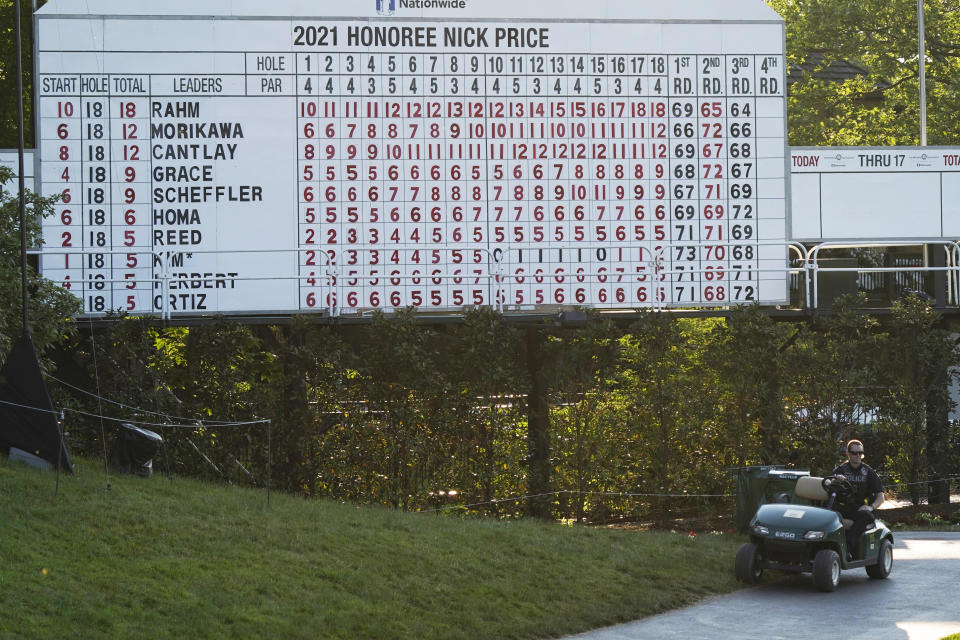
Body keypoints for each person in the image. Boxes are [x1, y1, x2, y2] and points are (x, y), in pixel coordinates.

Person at [830, 439, 884, 559]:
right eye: (855, 453)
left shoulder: (869, 472)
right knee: (825, 511)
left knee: (867, 516)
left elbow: (881, 497)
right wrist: (835, 479)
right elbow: (828, 486)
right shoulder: (840, 470)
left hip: (857, 509)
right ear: (848, 454)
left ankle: (848, 547)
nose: (858, 455)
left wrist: (870, 507)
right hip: (841, 507)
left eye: (860, 453)